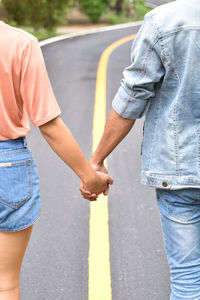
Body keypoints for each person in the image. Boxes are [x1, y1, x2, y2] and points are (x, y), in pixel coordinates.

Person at [80, 0, 200, 298]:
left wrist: (95, 161)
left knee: (188, 280)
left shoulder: (164, 21)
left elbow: (132, 97)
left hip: (181, 169)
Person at [0, 15, 113, 300]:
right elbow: (49, 124)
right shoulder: (20, 44)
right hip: (7, 164)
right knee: (5, 284)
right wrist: (90, 177)